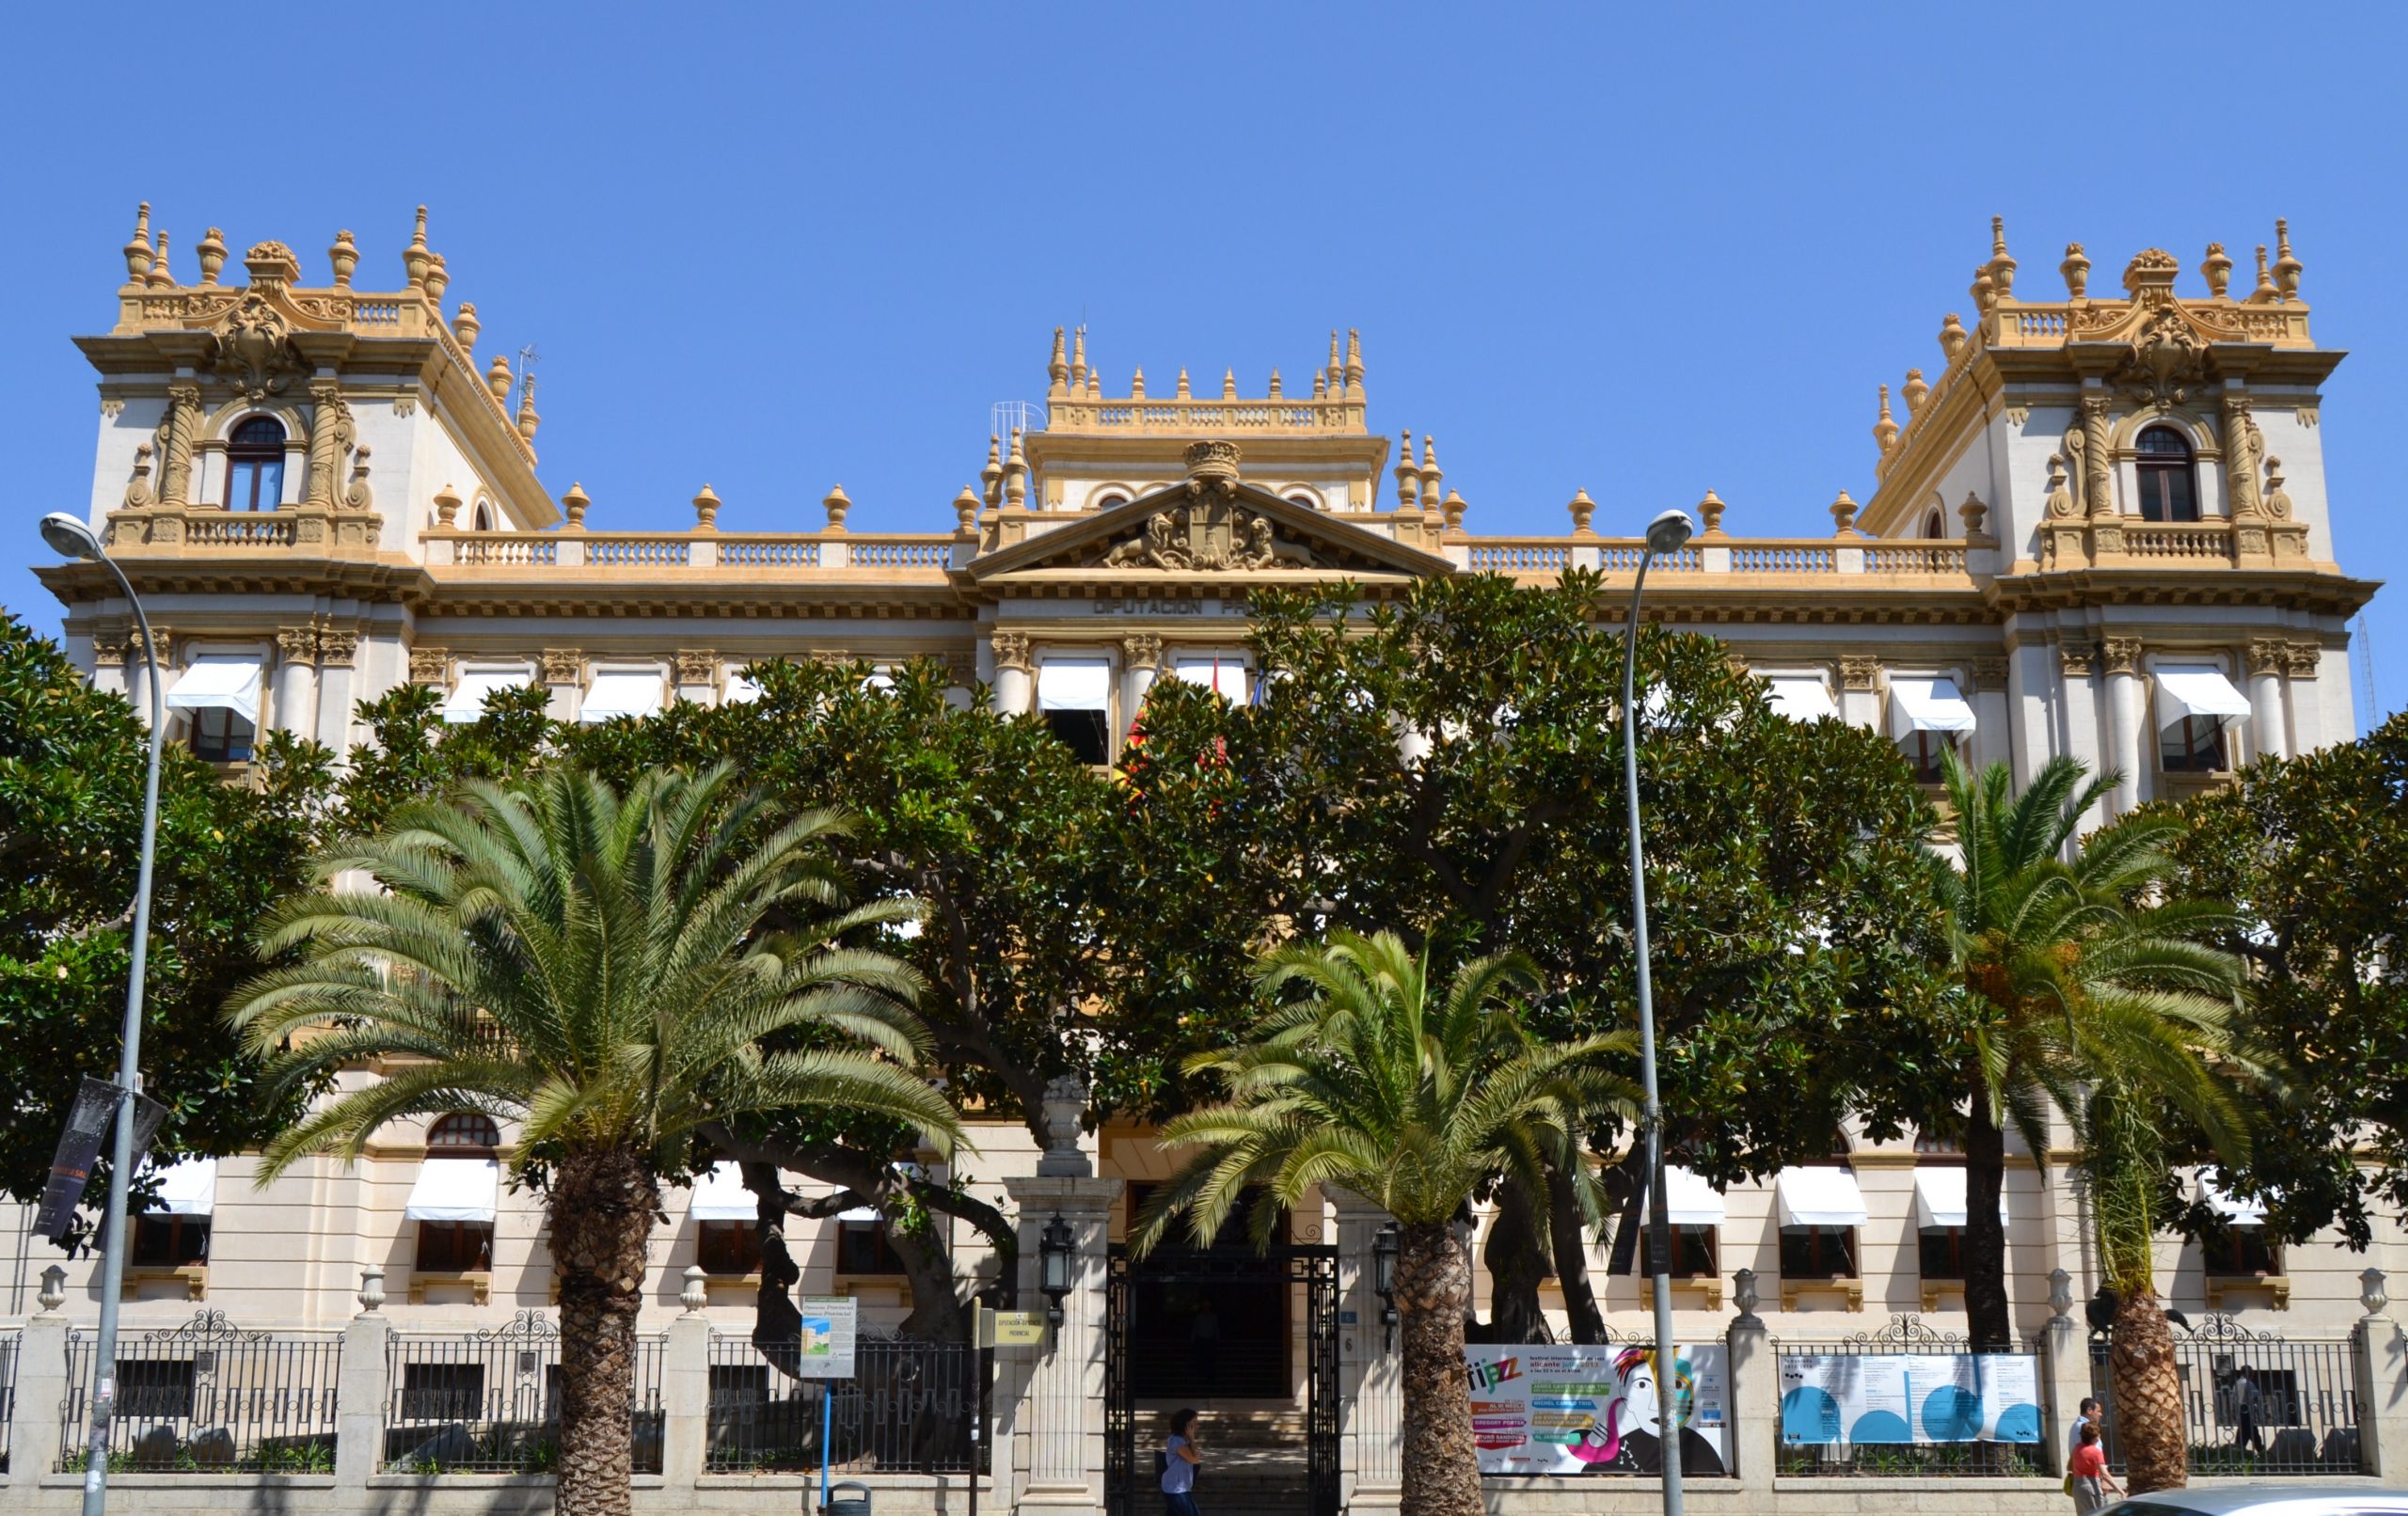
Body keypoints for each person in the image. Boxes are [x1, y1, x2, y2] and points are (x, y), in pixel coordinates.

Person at [2068, 1421, 2121, 1513]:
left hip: (2078, 1487)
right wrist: (2121, 1491)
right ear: (2096, 1437)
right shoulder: (2096, 1452)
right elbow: (2105, 1474)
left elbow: (2069, 1466)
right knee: (2098, 1513)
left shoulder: (2077, 1448)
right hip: (2092, 1486)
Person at [1162, 1408, 1203, 1516]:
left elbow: (1196, 1457)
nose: (1197, 1424)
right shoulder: (1177, 1441)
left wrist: (1190, 1439)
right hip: (1176, 1488)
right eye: (1194, 1422)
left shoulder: (1184, 1440)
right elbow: (1195, 1459)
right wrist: (1192, 1438)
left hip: (1179, 1487)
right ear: (1186, 1424)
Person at [2067, 1397, 2102, 1467]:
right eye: (2098, 1411)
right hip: (2089, 1472)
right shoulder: (2083, 1427)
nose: (2100, 1414)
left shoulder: (2078, 1425)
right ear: (2089, 1410)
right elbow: (2091, 1451)